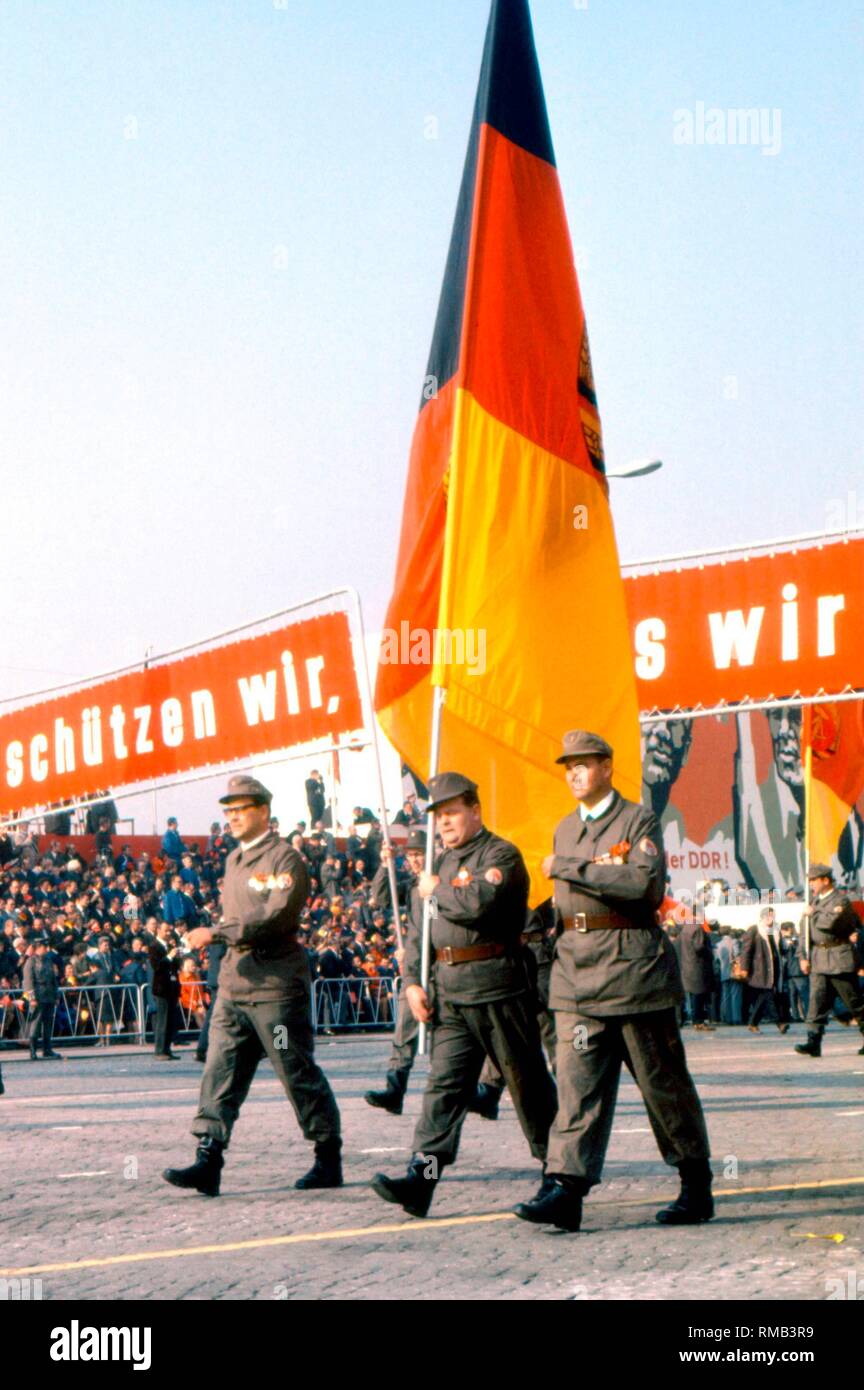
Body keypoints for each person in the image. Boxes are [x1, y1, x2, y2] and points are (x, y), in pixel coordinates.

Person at [514, 730, 712, 1234]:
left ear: (606, 766)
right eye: (568, 766)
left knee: (662, 1086)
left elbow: (643, 886)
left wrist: (569, 867)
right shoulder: (564, 828)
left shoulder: (637, 819)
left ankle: (695, 1184)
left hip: (634, 975)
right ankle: (567, 1189)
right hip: (578, 979)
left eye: (583, 764)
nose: (574, 773)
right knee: (577, 1090)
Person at [370, 772, 557, 1219]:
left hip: (498, 987)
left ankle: (559, 1177)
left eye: (452, 812)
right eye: (438, 816)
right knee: (443, 1091)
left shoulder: (500, 855)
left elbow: (479, 905)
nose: (445, 824)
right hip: (450, 996)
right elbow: (419, 933)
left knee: (526, 1086)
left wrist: (438, 890)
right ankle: (422, 1178)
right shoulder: (441, 866)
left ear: (475, 810)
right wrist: (414, 981)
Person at [163, 775, 342, 1197]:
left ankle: (327, 1156)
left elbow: (277, 916)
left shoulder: (285, 859)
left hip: (275, 992)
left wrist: (220, 933)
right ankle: (208, 1159)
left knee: (293, 1069)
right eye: (228, 811)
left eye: (241, 810)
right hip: (235, 989)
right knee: (219, 1071)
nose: (233, 818)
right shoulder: (233, 861)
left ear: (264, 811)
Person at [363, 829, 426, 1113]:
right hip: (415, 968)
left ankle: (484, 1087)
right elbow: (382, 897)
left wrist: (413, 950)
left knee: (456, 1037)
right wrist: (385, 865)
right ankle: (395, 1089)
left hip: (441, 967)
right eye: (410, 855)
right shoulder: (412, 886)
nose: (414, 860)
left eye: (419, 854)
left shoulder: (438, 885)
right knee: (404, 1033)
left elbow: (434, 925)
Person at [795, 864, 864, 1058]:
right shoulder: (814, 902)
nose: (811, 884)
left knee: (853, 1002)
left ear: (826, 880)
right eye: (809, 880)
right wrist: (802, 957)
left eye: (814, 880)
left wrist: (813, 912)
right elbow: (804, 934)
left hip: (838, 958)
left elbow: (829, 924)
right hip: (818, 959)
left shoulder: (841, 900)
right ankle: (813, 1042)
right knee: (816, 1003)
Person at [739, 908, 790, 1034]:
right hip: (760, 969)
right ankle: (779, 1023)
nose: (770, 918)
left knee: (764, 996)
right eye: (767, 916)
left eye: (772, 916)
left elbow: (780, 949)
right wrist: (744, 968)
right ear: (762, 917)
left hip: (775, 968)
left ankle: (753, 1023)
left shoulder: (776, 930)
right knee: (768, 995)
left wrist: (786, 946)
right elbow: (746, 950)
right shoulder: (754, 929)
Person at [22, 939, 62, 1060]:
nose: (46, 949)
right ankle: (33, 1050)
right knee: (36, 1024)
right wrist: (32, 997)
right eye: (44, 947)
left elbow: (53, 979)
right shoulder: (31, 962)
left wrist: (56, 995)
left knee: (48, 1024)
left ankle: (47, 1049)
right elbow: (28, 981)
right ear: (38, 948)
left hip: (49, 995)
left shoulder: (49, 960)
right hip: (38, 995)